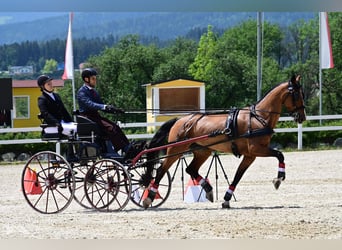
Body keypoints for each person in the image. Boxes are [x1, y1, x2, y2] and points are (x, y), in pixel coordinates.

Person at [77, 68, 140, 159]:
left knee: (115, 126)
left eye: (95, 78)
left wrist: (114, 110)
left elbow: (101, 105)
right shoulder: (82, 92)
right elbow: (90, 104)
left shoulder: (94, 92)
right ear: (86, 79)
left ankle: (128, 147)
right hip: (88, 118)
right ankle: (123, 149)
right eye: (93, 79)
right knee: (110, 128)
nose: (95, 81)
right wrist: (104, 106)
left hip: (95, 116)